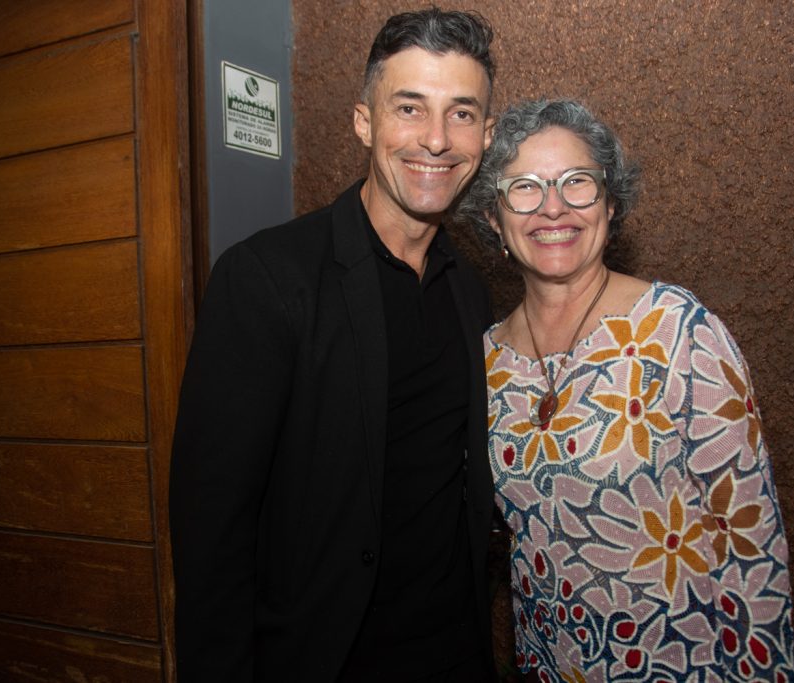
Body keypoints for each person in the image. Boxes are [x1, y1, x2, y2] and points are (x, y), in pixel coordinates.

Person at [169, 9, 499, 682]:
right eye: (410, 107)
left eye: (462, 114)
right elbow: (212, 535)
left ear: (486, 136)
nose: (436, 139)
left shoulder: (472, 290)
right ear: (364, 121)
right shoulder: (266, 278)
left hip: (455, 655)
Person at [454, 99, 794, 682]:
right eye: (525, 188)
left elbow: (751, 541)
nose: (553, 207)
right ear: (494, 216)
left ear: (611, 203)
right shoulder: (486, 361)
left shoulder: (679, 330)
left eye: (577, 183)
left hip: (689, 665)